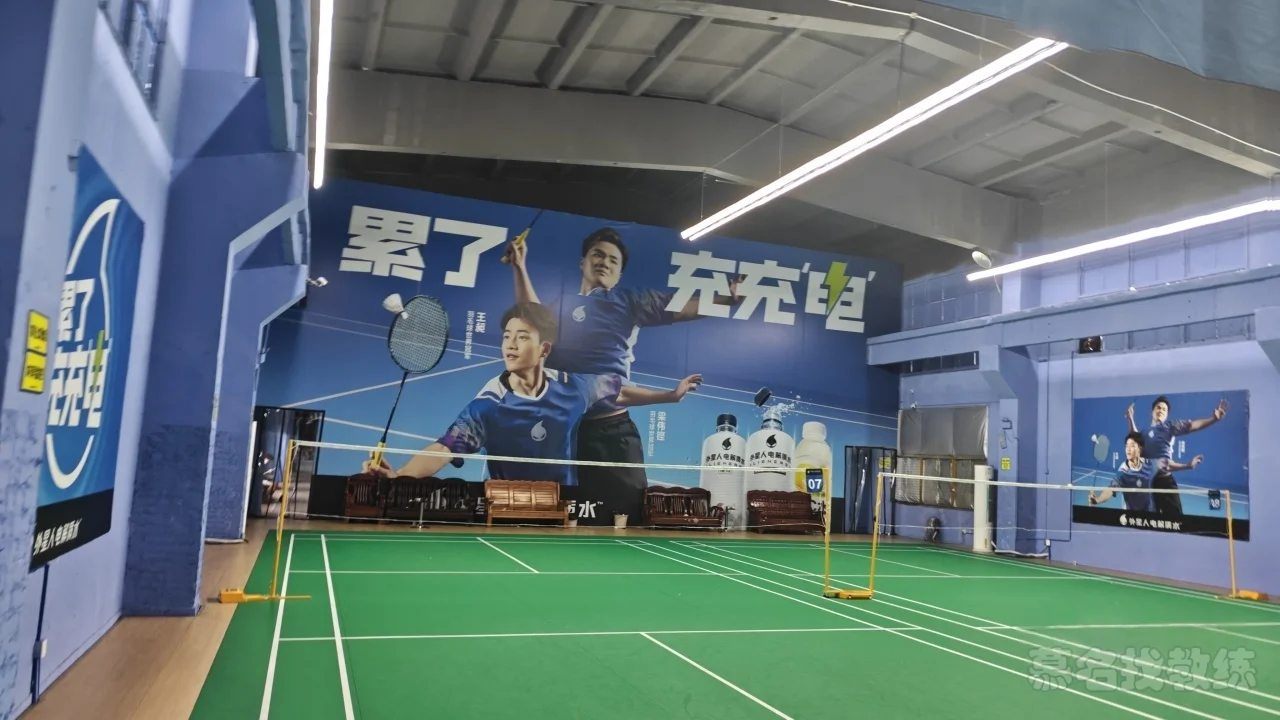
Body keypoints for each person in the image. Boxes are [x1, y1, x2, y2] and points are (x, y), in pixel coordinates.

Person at [505, 227, 737, 496]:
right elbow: (532, 317)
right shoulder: (560, 305)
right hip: (559, 428)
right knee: (557, 509)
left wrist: (727, 299)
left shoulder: (628, 301)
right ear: (582, 263)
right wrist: (519, 265)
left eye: (613, 260)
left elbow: (681, 307)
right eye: (598, 254)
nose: (604, 262)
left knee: (626, 510)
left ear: (619, 275)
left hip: (610, 431)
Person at [362, 301, 701, 483]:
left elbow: (619, 392)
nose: (510, 344)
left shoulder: (572, 386)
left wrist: (670, 396)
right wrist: (400, 475)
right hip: (505, 509)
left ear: (544, 349)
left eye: (522, 337)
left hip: (562, 510)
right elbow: (443, 449)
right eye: (506, 336)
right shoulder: (489, 404)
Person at [1125, 396, 1227, 517]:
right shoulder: (1144, 432)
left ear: (1167, 414)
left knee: (1176, 520)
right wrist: (1131, 418)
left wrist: (1214, 419)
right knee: (1150, 520)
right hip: (1148, 483)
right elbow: (1135, 438)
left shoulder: (1169, 426)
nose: (1161, 410)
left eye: (1164, 409)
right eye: (1158, 408)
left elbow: (1192, 425)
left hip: (1165, 483)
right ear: (1152, 411)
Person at [1089, 431, 1202, 512]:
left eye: (1132, 446)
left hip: (1151, 515)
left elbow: (1167, 464)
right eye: (1126, 446)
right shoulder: (1123, 471)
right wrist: (1098, 500)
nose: (1128, 449)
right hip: (1132, 517)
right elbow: (1110, 490)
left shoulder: (1150, 464)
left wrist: (1188, 465)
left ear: (1140, 449)